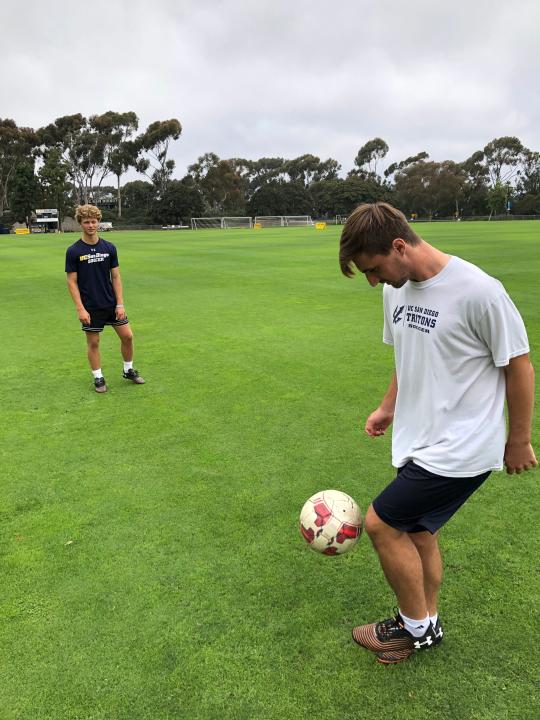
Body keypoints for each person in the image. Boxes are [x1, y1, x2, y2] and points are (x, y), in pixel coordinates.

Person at [339, 202, 536, 665]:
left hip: (463, 446)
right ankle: (426, 622)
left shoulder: (478, 291)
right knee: (418, 532)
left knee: (381, 524)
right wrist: (388, 407)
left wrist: (519, 439)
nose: (373, 281)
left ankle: (412, 630)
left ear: (399, 246)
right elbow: (406, 355)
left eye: (373, 269)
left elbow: (519, 365)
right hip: (421, 438)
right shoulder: (397, 289)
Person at [65, 204, 145, 393]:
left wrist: (120, 303)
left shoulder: (109, 248)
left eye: (94, 222)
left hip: (111, 303)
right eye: (86, 222)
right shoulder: (74, 251)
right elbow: (71, 282)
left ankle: (128, 370)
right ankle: (98, 378)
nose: (91, 225)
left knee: (128, 336)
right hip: (90, 306)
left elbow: (116, 277)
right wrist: (80, 308)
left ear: (99, 222)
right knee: (94, 343)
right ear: (80, 224)